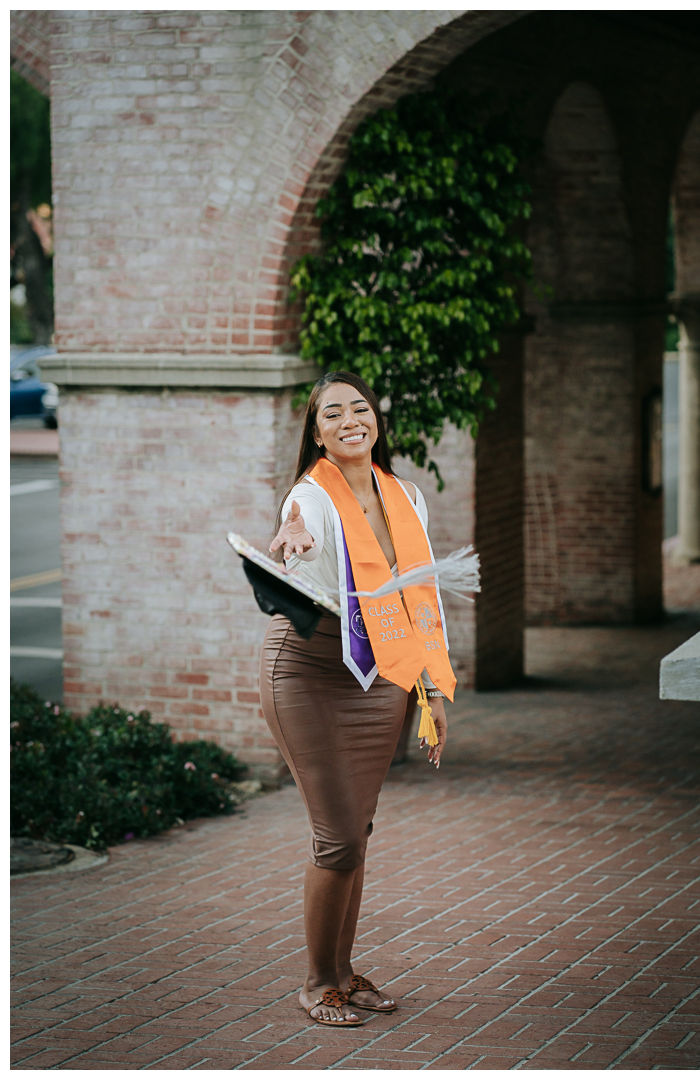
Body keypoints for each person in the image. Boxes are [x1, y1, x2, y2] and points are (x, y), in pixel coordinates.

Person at [260, 371, 456, 1027]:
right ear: (316, 433)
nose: (350, 420)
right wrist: (293, 544)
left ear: (376, 419)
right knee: (337, 838)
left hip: (379, 679)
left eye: (360, 408)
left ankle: (344, 973)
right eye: (333, 413)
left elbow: (419, 592)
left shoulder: (406, 495)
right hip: (309, 673)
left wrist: (430, 691)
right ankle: (317, 983)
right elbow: (296, 531)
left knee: (357, 835)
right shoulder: (309, 495)